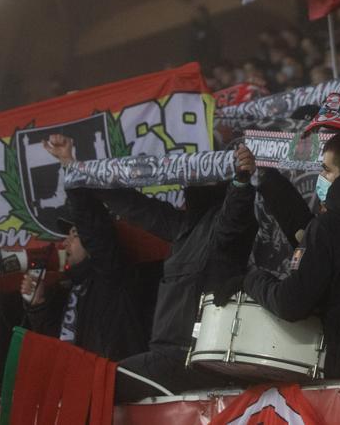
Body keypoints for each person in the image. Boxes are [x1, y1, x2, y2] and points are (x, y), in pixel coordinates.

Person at [218, 136, 340, 380]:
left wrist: (251, 279)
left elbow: (291, 302)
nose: (322, 176)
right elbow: (304, 230)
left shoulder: (329, 228)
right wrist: (268, 178)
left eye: (326, 169)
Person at [99, 145, 259, 401]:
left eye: (198, 175)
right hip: (166, 356)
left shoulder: (225, 226)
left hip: (195, 358)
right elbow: (136, 208)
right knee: (97, 380)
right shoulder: (182, 225)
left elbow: (235, 217)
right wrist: (81, 172)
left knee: (103, 383)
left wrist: (241, 182)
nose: (189, 184)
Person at [19, 136, 151, 361]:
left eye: (75, 235)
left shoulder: (110, 276)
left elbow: (95, 227)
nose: (65, 243)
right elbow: (57, 349)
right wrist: (39, 306)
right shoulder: (74, 289)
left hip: (114, 382)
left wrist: (69, 165)